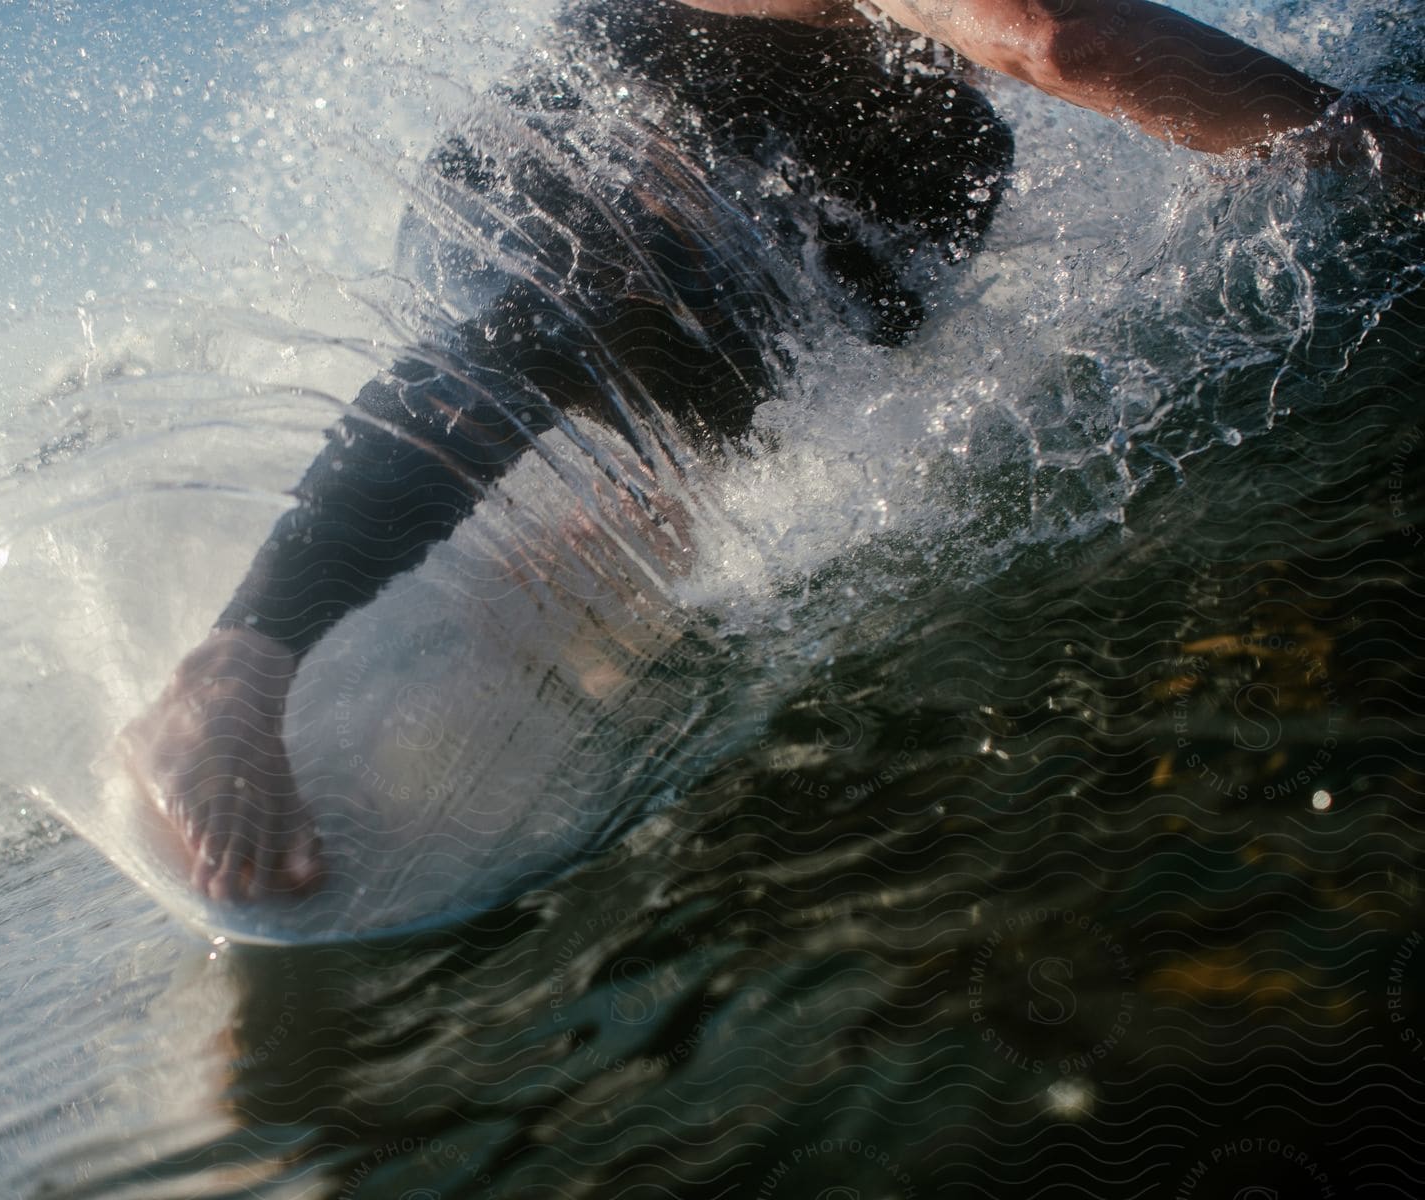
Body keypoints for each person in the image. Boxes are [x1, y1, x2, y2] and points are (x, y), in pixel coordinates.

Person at [122, 0, 1357, 903]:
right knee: (585, 296)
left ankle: (610, 534)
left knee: (845, 291)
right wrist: (1380, 146)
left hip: (769, 212)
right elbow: (1056, 40)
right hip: (551, 171)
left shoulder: (959, 150)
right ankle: (231, 667)